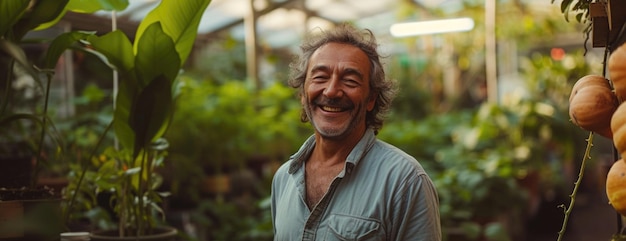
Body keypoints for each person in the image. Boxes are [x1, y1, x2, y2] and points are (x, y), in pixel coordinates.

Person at [270, 23, 441, 241]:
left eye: (350, 80)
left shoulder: (405, 181)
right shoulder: (284, 178)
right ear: (303, 93)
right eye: (320, 77)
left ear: (371, 99)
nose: (331, 91)